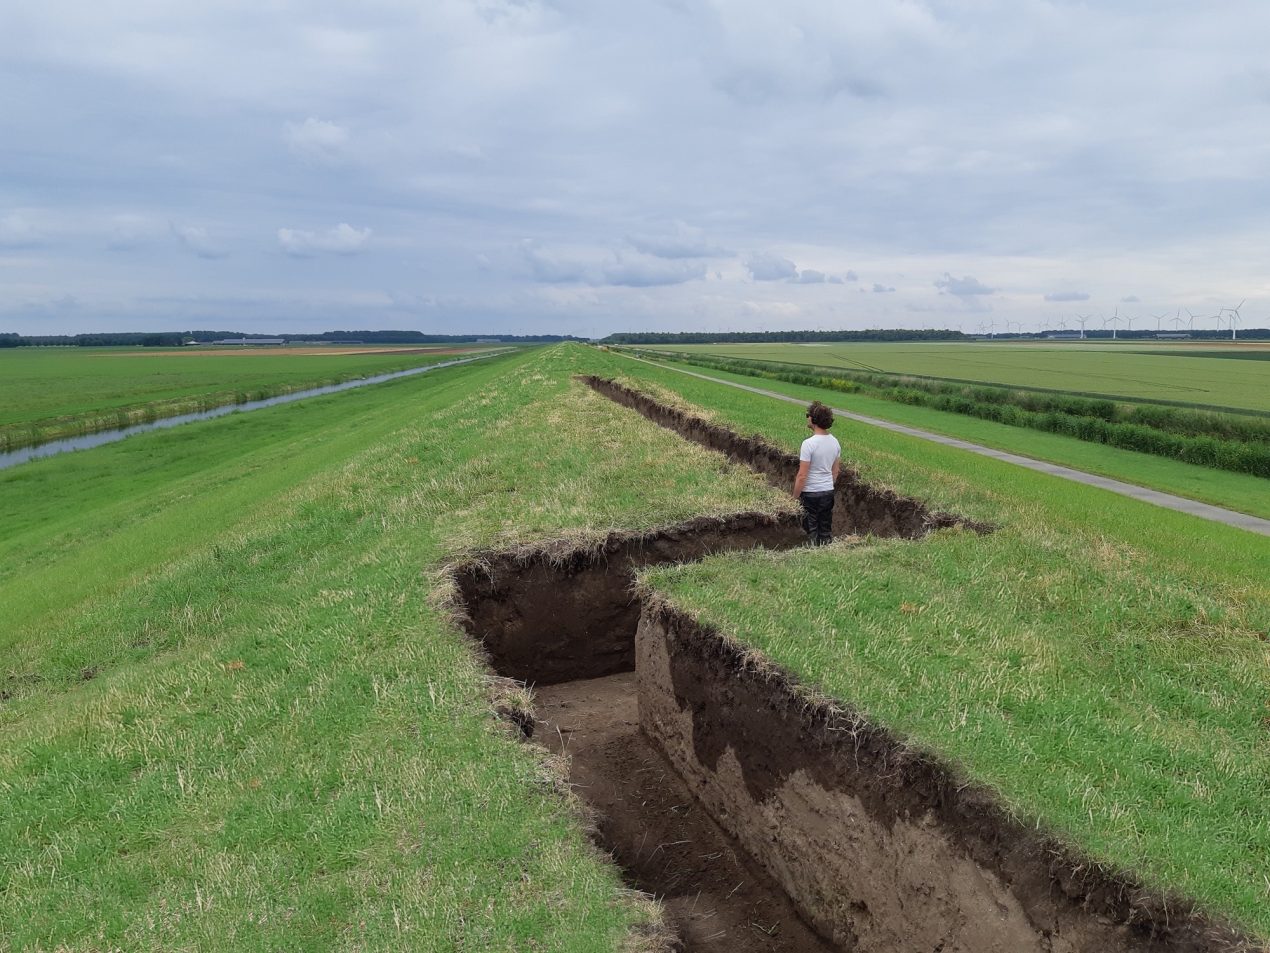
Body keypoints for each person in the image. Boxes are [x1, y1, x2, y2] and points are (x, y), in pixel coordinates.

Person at [793, 401, 841, 545]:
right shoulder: (835, 442)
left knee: (810, 529)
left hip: (810, 494)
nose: (807, 417)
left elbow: (802, 476)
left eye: (808, 415)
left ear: (813, 419)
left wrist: (795, 497)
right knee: (825, 528)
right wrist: (826, 486)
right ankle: (826, 549)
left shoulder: (809, 444)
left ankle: (812, 551)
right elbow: (836, 471)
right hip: (827, 492)